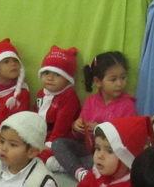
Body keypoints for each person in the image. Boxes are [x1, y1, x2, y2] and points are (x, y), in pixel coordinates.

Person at [50, 51, 135, 180]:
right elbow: (78, 135)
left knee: (108, 161)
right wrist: (77, 126)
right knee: (58, 143)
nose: (119, 83)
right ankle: (79, 172)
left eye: (123, 78)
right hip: (88, 148)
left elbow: (126, 138)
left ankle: (70, 166)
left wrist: (100, 129)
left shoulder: (127, 104)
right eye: (113, 79)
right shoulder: (91, 101)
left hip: (107, 152)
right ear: (98, 81)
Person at [35, 45, 82, 162]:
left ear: (67, 78)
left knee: (42, 156)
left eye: (57, 74)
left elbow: (62, 126)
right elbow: (34, 114)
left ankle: (59, 162)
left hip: (62, 138)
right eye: (46, 73)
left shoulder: (69, 96)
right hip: (43, 135)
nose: (50, 78)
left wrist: (49, 144)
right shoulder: (41, 93)